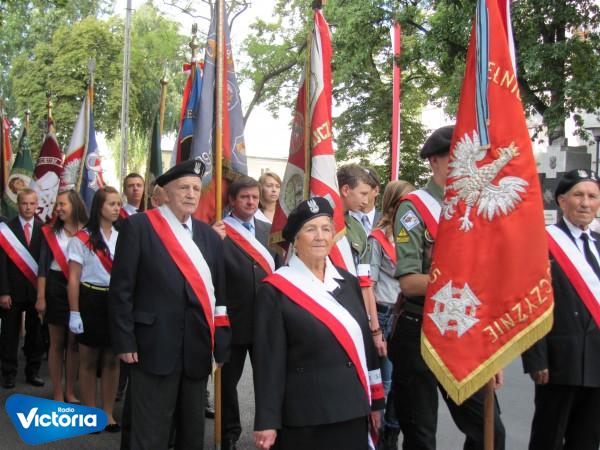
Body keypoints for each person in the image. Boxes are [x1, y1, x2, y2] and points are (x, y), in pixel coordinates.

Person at [390, 126, 505, 450]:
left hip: (464, 330)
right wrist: (461, 281)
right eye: (454, 157)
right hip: (420, 329)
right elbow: (410, 283)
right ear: (434, 162)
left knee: (489, 433)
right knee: (421, 438)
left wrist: (493, 354)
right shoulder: (414, 208)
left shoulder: (475, 207)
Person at [108, 158, 230, 449]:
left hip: (197, 348)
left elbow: (220, 297)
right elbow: (121, 289)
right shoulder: (139, 226)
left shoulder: (209, 237)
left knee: (191, 433)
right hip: (152, 346)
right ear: (165, 192)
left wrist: (221, 341)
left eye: (196, 189)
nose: (191, 194)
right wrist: (124, 340)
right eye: (184, 187)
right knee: (150, 432)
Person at [253, 197, 384, 450]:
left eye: (326, 229)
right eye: (311, 229)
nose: (320, 237)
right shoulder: (275, 290)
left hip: (352, 408)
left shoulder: (348, 282)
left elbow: (365, 346)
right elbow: (268, 362)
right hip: (306, 416)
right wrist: (267, 420)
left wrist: (376, 402)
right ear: (295, 240)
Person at [522, 169, 600, 450]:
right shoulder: (542, 243)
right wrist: (536, 358)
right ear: (561, 200)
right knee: (548, 439)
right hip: (558, 361)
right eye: (578, 195)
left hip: (596, 359)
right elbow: (528, 302)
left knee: (587, 440)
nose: (585, 203)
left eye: (592, 196)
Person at [219, 176, 279, 450]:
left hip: (266, 320)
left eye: (254, 197)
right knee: (227, 383)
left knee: (269, 380)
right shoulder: (220, 232)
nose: (251, 202)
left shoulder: (271, 230)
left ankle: (270, 432)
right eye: (244, 197)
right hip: (233, 320)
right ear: (232, 200)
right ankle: (229, 433)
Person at [67, 186, 121, 432]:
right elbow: (73, 279)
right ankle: (90, 413)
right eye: (112, 204)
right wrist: (74, 312)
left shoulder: (123, 236)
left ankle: (108, 413)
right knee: (88, 360)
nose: (117, 208)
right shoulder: (82, 238)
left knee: (112, 359)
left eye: (118, 204)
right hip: (90, 298)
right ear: (99, 207)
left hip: (115, 301)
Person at [367, 180, 414, 449]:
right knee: (385, 382)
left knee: (402, 382)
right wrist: (375, 327)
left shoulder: (414, 235)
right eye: (406, 201)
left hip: (407, 314)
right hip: (385, 314)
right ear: (394, 204)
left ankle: (392, 433)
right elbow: (369, 285)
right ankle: (378, 435)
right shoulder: (378, 238)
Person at [36, 189, 88, 402]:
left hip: (81, 288)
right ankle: (57, 392)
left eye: (62, 204)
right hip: (56, 287)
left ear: (74, 205)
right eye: (57, 204)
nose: (57, 208)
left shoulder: (88, 231)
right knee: (57, 343)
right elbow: (42, 267)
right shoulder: (50, 232)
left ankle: (70, 391)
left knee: (74, 344)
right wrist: (41, 297)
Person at [337, 164, 386, 357]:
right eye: (363, 193)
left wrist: (375, 328)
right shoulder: (323, 224)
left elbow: (365, 282)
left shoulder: (356, 229)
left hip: (355, 309)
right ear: (345, 190)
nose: (366, 200)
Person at [0, 189, 45, 388]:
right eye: (24, 203)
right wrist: (3, 292)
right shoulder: (6, 230)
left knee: (35, 335)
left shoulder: (44, 229)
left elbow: (44, 263)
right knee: (9, 334)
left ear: (37, 205)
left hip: (35, 291)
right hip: (12, 292)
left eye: (32, 203)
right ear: (18, 205)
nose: (28, 207)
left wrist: (43, 293)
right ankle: (8, 373)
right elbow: (1, 264)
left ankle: (33, 371)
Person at [360, 167, 381, 235]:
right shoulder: (343, 221)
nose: (358, 195)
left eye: (364, 192)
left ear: (376, 191)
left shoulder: (387, 221)